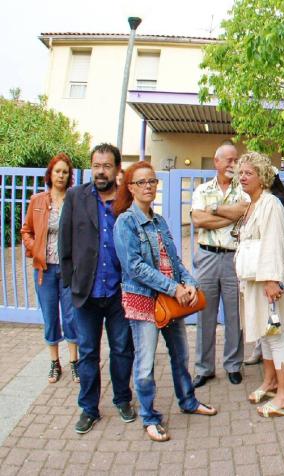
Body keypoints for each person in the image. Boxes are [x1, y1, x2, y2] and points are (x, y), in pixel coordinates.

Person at [113, 162, 218, 442]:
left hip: (173, 303)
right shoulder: (126, 222)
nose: (148, 186)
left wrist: (190, 284)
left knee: (181, 357)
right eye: (141, 182)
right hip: (145, 302)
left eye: (152, 181)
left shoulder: (159, 221)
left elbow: (174, 261)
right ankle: (149, 418)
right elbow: (135, 267)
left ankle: (188, 401)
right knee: (145, 365)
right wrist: (174, 288)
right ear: (131, 188)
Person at [59, 143, 135, 434]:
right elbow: (64, 243)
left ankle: (122, 399)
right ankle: (89, 409)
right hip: (86, 293)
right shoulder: (76, 197)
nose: (100, 171)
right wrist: (69, 282)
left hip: (119, 292)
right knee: (89, 352)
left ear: (116, 169)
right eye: (96, 165)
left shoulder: (125, 200)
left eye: (106, 166)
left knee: (121, 349)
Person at [236, 152, 284, 417]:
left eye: (248, 173)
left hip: (268, 282)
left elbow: (274, 242)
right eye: (240, 172)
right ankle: (271, 382)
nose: (242, 177)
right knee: (266, 333)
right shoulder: (252, 204)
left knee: (276, 334)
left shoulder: (270, 203)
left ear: (262, 177)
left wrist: (273, 280)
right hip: (256, 281)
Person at [189, 143, 247, 387]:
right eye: (229, 160)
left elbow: (243, 212)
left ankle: (233, 365)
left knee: (235, 314)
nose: (233, 165)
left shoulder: (243, 191)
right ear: (217, 162)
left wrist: (212, 212)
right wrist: (228, 215)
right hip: (207, 257)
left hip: (234, 257)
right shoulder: (202, 189)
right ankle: (204, 368)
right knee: (205, 314)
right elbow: (197, 219)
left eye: (236, 160)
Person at [22, 153, 79, 384]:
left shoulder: (73, 200)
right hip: (44, 270)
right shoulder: (38, 200)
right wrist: (35, 248)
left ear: (69, 176)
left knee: (71, 316)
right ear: (50, 174)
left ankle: (74, 362)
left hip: (67, 270)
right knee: (50, 317)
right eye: (57, 171)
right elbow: (26, 230)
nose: (61, 175)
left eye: (65, 172)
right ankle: (54, 363)